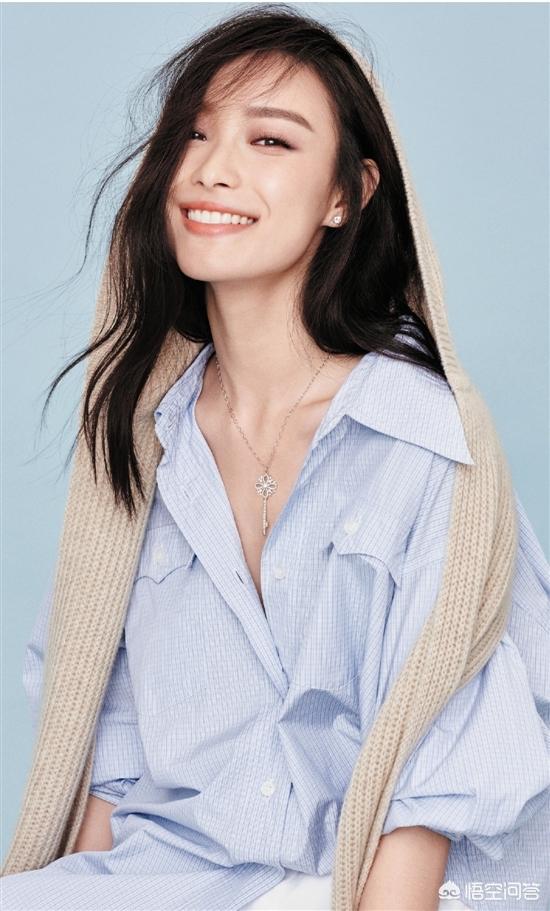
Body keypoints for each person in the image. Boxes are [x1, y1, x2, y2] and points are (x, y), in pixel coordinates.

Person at [2, 6, 548, 911]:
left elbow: (436, 784)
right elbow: (114, 760)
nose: (212, 168)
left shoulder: (422, 435)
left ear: (347, 194)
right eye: (194, 133)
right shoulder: (144, 443)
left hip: (399, 881)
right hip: (195, 874)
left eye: (270, 140)